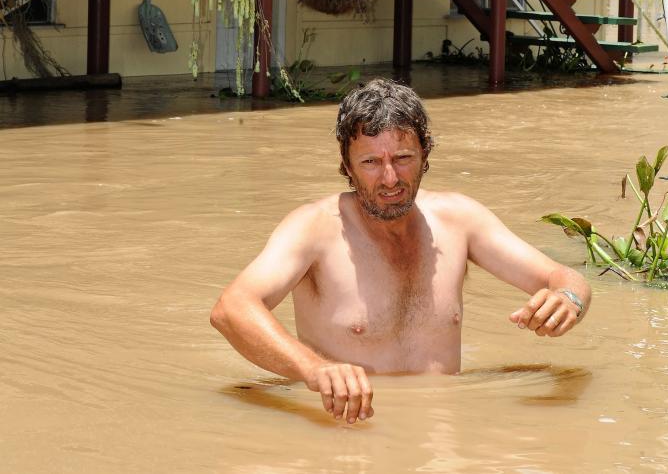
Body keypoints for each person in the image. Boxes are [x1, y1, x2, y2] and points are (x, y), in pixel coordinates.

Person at [210, 79, 591, 425]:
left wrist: (567, 298)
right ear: (346, 165)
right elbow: (232, 309)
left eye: (403, 158)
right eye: (371, 162)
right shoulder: (313, 228)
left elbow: (566, 278)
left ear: (425, 153)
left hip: (443, 435)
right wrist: (314, 370)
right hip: (349, 436)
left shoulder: (459, 220)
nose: (390, 179)